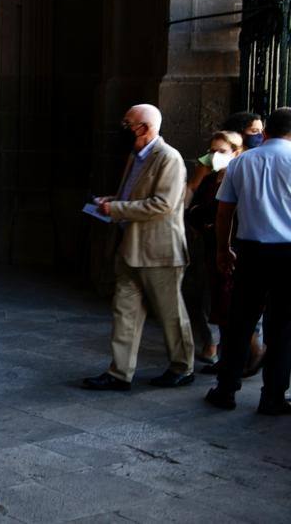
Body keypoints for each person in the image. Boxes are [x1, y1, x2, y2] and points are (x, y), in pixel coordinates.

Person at [82, 104, 195, 391]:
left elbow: (163, 204)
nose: (124, 128)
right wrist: (111, 200)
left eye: (128, 123)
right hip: (130, 247)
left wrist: (116, 209)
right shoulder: (136, 156)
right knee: (124, 311)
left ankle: (183, 367)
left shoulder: (168, 158)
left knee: (171, 313)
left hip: (159, 251)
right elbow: (134, 195)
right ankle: (119, 373)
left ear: (145, 127)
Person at [206, 107, 291, 415]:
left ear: (265, 131)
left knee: (240, 322)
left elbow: (224, 211)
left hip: (251, 251)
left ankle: (226, 389)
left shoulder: (242, 161)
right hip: (287, 254)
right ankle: (273, 396)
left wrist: (222, 249)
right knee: (282, 327)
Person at [183, 131, 243, 366]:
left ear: (235, 153)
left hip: (233, 248)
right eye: (212, 151)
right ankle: (212, 344)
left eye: (221, 151)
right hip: (208, 246)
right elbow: (195, 209)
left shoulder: (240, 179)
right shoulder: (209, 180)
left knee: (233, 299)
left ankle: (241, 350)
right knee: (209, 297)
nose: (215, 156)